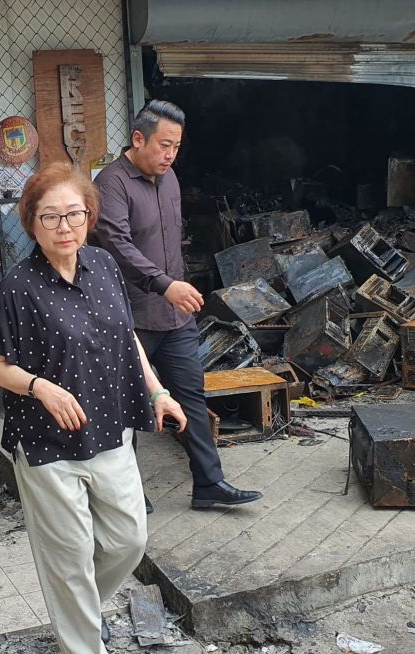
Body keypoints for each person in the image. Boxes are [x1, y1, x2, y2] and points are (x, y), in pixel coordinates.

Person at [0, 164, 187, 654]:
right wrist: (39, 387)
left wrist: (158, 391)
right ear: (32, 224)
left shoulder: (102, 265)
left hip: (110, 425)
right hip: (47, 441)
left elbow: (129, 341)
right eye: (50, 216)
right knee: (69, 555)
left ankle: (79, 613)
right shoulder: (18, 286)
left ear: (89, 216)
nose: (64, 226)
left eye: (74, 214)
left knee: (128, 538)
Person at [94, 99, 263, 512]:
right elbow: (116, 244)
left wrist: (176, 290)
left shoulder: (169, 179)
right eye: (164, 145)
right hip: (131, 315)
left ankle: (209, 483)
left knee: (191, 395)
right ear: (138, 139)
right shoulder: (111, 184)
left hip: (175, 315)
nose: (171, 154)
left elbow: (173, 243)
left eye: (177, 146)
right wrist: (165, 284)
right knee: (126, 402)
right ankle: (128, 493)